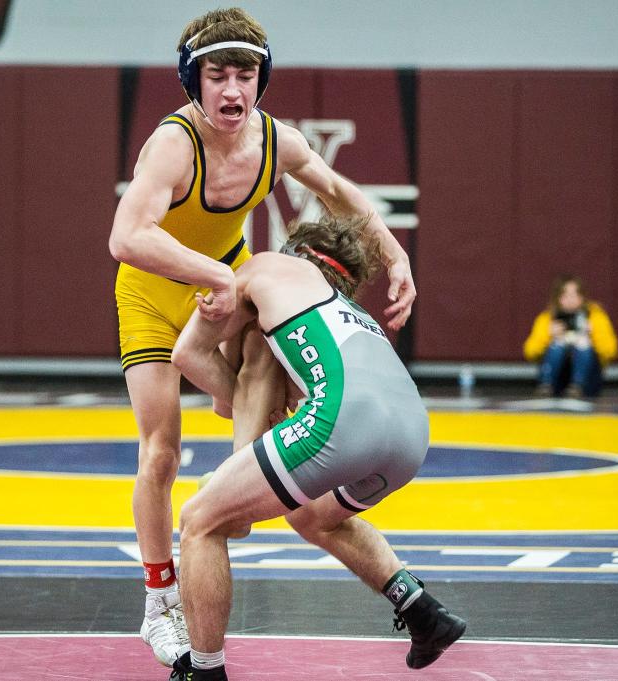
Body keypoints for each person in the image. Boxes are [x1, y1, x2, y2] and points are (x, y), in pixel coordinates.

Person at [106, 7, 416, 668]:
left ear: (261, 79)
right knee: (161, 450)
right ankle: (159, 600)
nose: (232, 92)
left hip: (220, 283)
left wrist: (394, 254)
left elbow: (339, 190)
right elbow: (126, 237)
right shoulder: (174, 144)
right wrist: (217, 272)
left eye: (244, 75)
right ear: (194, 81)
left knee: (262, 386)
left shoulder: (276, 142)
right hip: (152, 293)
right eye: (217, 76)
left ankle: (240, 476)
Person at [167, 216, 466, 680]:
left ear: (296, 252)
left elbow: (188, 356)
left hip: (343, 420)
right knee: (310, 515)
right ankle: (422, 611)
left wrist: (240, 426)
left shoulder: (266, 268)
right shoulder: (351, 313)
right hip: (411, 435)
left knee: (200, 522)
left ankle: (205, 672)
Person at [522, 275, 618, 398]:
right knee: (557, 347)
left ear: (582, 297)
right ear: (557, 298)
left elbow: (610, 351)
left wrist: (593, 335)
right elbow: (530, 352)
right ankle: (546, 386)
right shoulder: (547, 318)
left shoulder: (595, 317)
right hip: (558, 379)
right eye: (565, 296)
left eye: (574, 295)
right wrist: (548, 335)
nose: (570, 300)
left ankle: (577, 386)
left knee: (583, 347)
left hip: (589, 379)